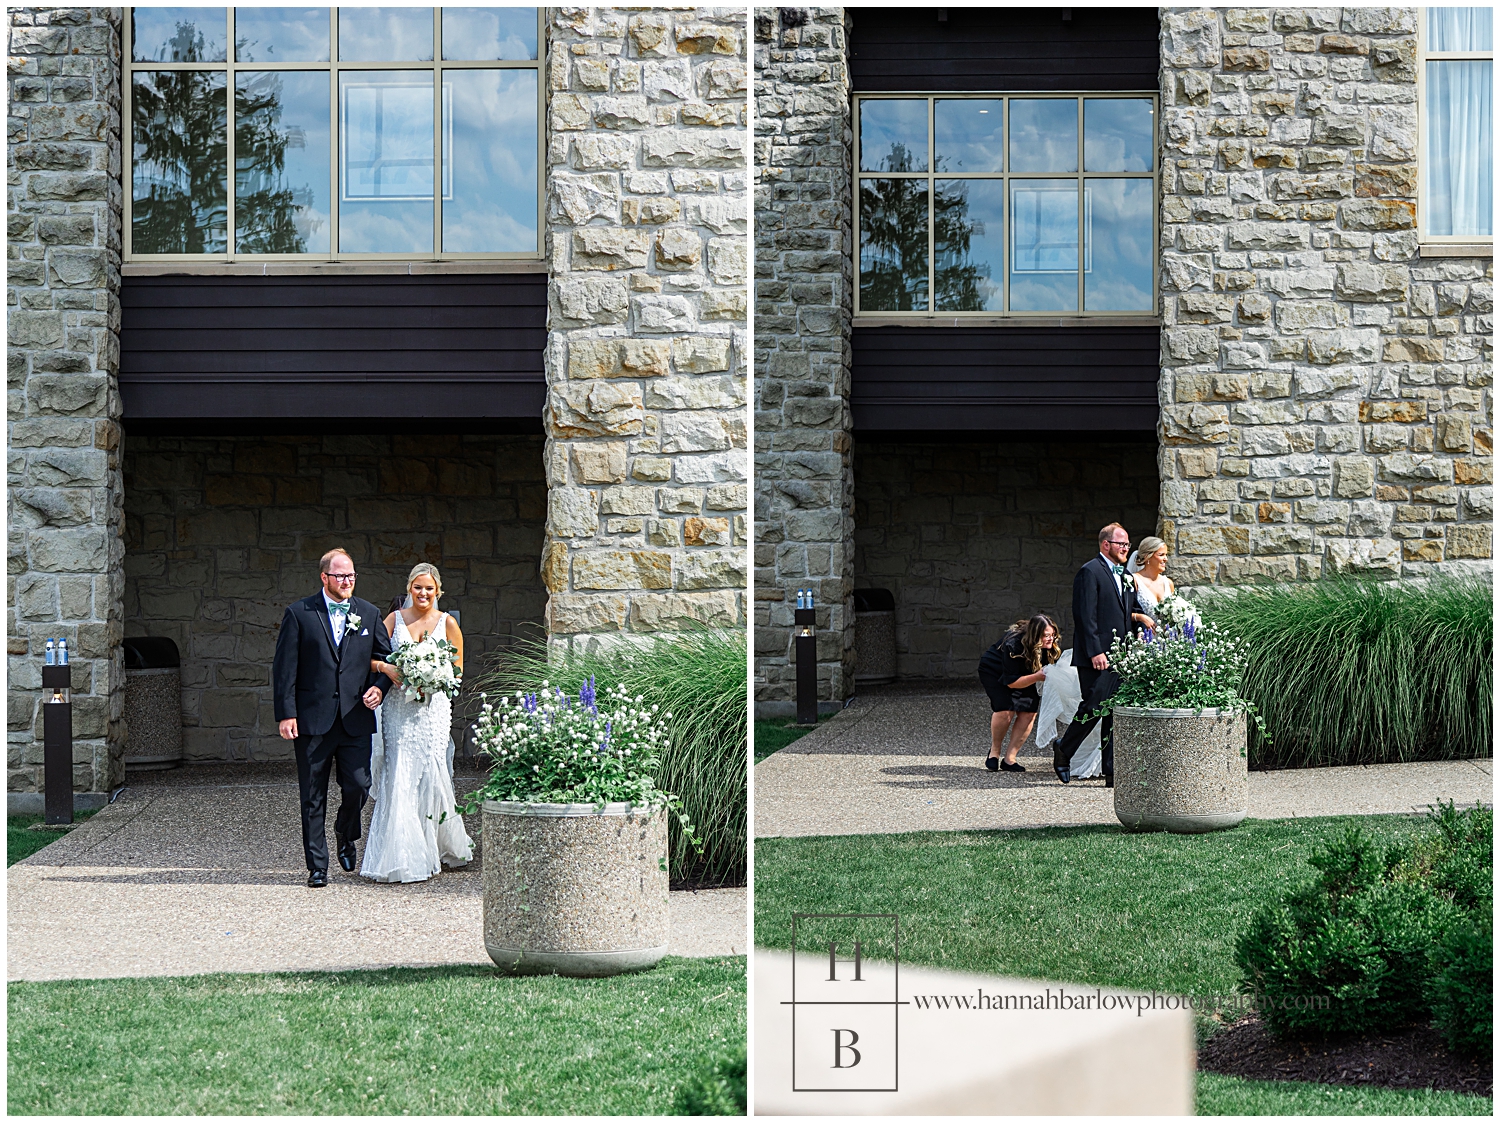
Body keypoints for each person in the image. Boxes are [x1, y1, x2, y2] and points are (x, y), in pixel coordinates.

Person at [272, 548, 394, 888]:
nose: (347, 581)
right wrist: (286, 714)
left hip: (355, 719)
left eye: (351, 575)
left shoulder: (368, 614)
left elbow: (385, 660)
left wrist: (380, 688)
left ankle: (346, 830)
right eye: (340, 575)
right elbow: (285, 669)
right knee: (312, 794)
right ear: (324, 577)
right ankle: (317, 866)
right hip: (313, 720)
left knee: (358, 785)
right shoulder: (299, 614)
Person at [360, 563, 474, 883]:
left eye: (429, 588)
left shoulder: (447, 624)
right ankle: (402, 854)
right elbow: (365, 656)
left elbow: (457, 671)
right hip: (398, 709)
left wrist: (434, 680)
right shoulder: (394, 620)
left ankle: (435, 844)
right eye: (417, 587)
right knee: (400, 771)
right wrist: (387, 669)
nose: (423, 593)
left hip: (432, 711)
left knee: (432, 770)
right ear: (409, 588)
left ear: (438, 592)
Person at [1050, 523, 1142, 788]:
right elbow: (1084, 615)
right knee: (1093, 706)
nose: (1126, 549)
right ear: (1106, 545)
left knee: (1114, 711)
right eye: (1121, 544)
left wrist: (1137, 628)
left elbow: (1129, 610)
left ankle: (1112, 773)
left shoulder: (1124, 575)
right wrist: (1095, 651)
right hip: (1097, 655)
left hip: (1121, 654)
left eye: (1127, 544)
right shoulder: (1089, 572)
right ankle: (1064, 748)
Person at [979, 615, 1061, 772]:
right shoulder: (1014, 644)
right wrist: (1037, 677)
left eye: (1053, 635)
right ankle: (994, 752)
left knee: (1029, 712)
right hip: (995, 672)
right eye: (1046, 636)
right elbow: (1011, 681)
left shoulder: (1048, 645)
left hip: (1027, 671)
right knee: (1005, 709)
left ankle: (1010, 759)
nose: (1051, 639)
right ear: (1035, 635)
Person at [1126, 536, 1175, 631]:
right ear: (1147, 556)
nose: (1165, 559)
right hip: (1144, 638)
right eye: (1161, 555)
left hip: (1169, 640)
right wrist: (1140, 617)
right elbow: (1123, 613)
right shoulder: (1134, 580)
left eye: (1166, 555)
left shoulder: (1168, 583)